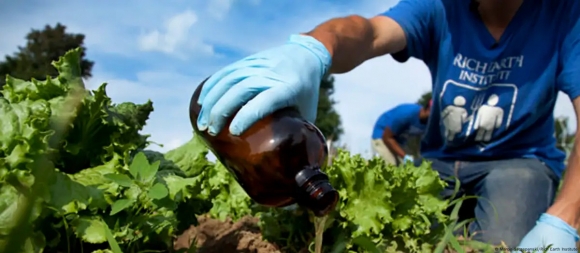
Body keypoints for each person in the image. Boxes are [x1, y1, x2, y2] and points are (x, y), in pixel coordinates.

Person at [194, 0, 580, 250]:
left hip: (519, 160)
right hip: (442, 161)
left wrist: (566, 215)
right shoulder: (442, 8)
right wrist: (314, 48)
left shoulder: (567, 15)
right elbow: (370, 32)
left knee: (504, 243)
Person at [371, 100, 432, 166]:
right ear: (428, 109)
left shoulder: (430, 122)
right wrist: (405, 157)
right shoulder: (406, 114)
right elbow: (387, 138)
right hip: (382, 135)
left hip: (399, 139)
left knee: (409, 168)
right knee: (390, 165)